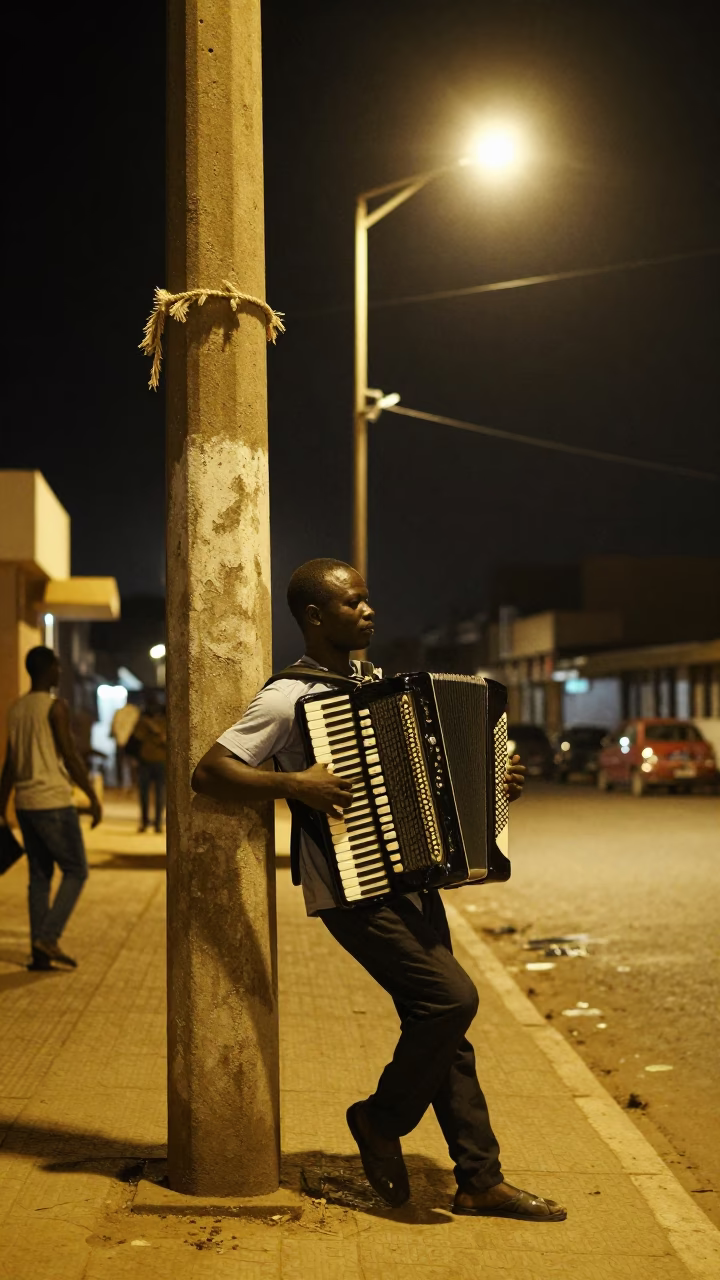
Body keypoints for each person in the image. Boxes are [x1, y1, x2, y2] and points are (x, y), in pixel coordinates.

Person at [192, 558, 566, 1221]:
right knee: (451, 1000)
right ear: (314, 616)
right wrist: (294, 784)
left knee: (445, 1026)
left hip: (413, 880)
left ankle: (480, 1179)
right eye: (353, 603)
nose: (368, 612)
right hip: (350, 886)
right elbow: (210, 771)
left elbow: (437, 780)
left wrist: (493, 784)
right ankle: (379, 1120)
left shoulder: (378, 686)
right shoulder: (287, 698)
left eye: (368, 601)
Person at [0, 646, 102, 970]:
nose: (60, 671)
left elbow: (11, 764)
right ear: (47, 670)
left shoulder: (16, 710)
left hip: (27, 804)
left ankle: (40, 955)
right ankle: (48, 935)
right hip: (53, 801)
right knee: (76, 870)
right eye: (57, 666)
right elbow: (70, 755)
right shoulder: (56, 708)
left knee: (40, 876)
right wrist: (92, 797)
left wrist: (3, 806)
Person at [133, 693, 167, 833]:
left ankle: (156, 823)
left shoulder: (164, 721)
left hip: (156, 761)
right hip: (148, 761)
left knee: (158, 794)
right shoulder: (144, 721)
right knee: (147, 794)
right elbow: (137, 737)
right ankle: (146, 822)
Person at [110, 699, 141, 788]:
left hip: (120, 741)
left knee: (120, 763)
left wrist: (115, 735)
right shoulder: (136, 712)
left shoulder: (119, 712)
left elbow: (113, 725)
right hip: (131, 742)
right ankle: (134, 783)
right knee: (132, 763)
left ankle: (120, 782)